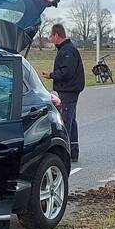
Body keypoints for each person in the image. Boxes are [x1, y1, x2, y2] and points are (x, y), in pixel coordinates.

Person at [41, 23, 85, 162]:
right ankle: (73, 152)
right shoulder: (67, 49)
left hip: (69, 90)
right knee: (71, 120)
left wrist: (51, 75)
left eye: (51, 36)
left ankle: (64, 154)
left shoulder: (67, 50)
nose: (50, 39)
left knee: (65, 121)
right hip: (69, 90)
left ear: (56, 35)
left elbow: (67, 72)